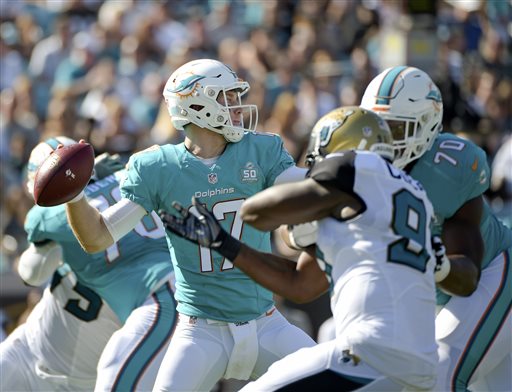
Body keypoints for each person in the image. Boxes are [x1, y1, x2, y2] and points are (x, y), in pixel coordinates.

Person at [65, 59, 316, 391]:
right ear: (197, 105)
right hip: (200, 331)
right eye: (225, 97)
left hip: (266, 323)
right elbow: (97, 237)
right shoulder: (159, 167)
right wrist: (72, 195)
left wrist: (337, 171)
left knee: (337, 383)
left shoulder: (260, 150)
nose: (237, 106)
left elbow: (302, 186)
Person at [160, 106, 441, 390]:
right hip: (423, 365)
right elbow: (299, 285)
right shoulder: (413, 196)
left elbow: (257, 213)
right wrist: (225, 243)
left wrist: (247, 184)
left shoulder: (352, 168)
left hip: (369, 352)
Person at [360, 66, 512, 392]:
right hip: (435, 298)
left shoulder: (448, 170)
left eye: (397, 128)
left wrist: (437, 262)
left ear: (427, 125)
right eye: (378, 127)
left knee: (437, 374)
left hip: (491, 274)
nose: (384, 140)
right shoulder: (359, 167)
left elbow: (467, 277)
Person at [0, 136, 176, 392]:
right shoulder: (135, 187)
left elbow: (31, 273)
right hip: (33, 352)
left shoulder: (56, 219)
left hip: (59, 366)